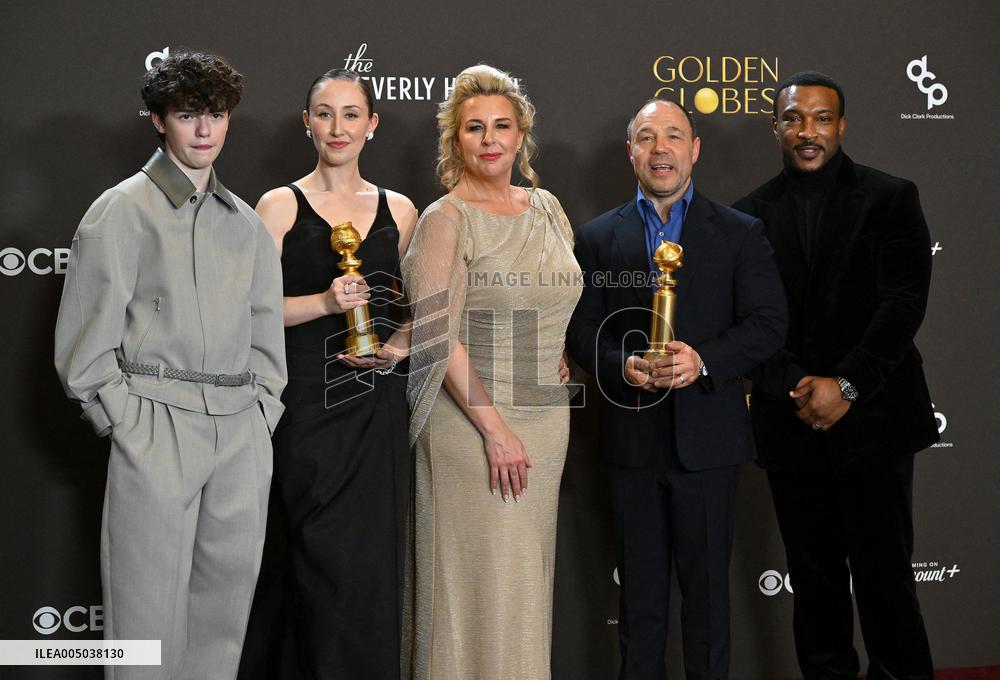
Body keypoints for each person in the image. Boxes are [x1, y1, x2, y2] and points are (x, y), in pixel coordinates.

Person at [53, 51, 286, 679]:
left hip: (240, 430)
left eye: (215, 115)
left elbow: (266, 332)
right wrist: (129, 425)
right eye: (188, 116)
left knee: (222, 618)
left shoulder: (246, 225)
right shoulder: (120, 210)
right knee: (145, 624)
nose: (204, 130)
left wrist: (262, 410)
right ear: (159, 121)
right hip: (156, 426)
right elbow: (86, 346)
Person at [565, 97, 787, 680]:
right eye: (645, 137)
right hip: (630, 446)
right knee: (639, 608)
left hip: (709, 445)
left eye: (672, 136)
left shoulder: (741, 233)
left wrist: (703, 361)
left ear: (695, 150)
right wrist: (621, 364)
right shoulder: (595, 238)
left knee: (709, 603)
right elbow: (580, 330)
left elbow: (768, 325)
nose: (659, 148)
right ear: (630, 152)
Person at [733, 70, 937, 680]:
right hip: (792, 421)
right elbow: (747, 323)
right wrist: (801, 385)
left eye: (822, 119)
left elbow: (902, 304)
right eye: (794, 119)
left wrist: (845, 385)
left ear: (841, 126)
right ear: (776, 128)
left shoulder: (892, 197)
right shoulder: (746, 218)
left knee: (886, 578)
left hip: (876, 419)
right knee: (815, 581)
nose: (808, 131)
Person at [236, 69, 418, 680]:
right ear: (305, 122)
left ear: (373, 124)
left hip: (378, 410)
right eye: (323, 113)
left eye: (350, 114)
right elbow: (248, 312)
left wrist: (394, 349)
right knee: (314, 561)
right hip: (306, 407)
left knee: (371, 567)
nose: (336, 127)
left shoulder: (403, 210)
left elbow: (429, 311)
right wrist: (323, 303)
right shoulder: (280, 205)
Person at [402, 64, 579, 680]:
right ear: (456, 141)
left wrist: (555, 349)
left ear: (521, 134)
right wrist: (496, 430)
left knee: (524, 586)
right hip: (471, 424)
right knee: (476, 587)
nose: (489, 138)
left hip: (546, 419)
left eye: (502, 125)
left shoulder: (549, 208)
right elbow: (434, 334)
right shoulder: (444, 219)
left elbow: (555, 296)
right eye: (474, 128)